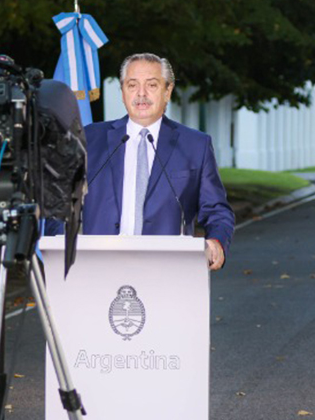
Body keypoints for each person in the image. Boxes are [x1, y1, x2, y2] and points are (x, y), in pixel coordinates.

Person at [81, 53, 235, 270]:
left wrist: (217, 242)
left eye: (152, 85)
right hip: (98, 267)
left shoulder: (195, 145)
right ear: (123, 91)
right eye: (132, 85)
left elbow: (217, 210)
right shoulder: (90, 139)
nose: (141, 94)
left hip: (168, 269)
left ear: (167, 91)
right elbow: (62, 204)